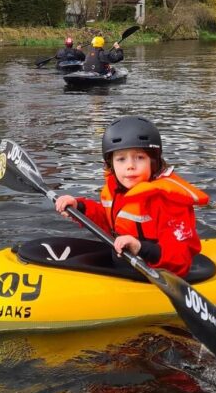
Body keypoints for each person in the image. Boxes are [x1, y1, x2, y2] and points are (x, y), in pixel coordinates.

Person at [54, 116, 207, 277]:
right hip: (125, 265)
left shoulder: (169, 202)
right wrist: (79, 207)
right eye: (121, 159)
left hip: (157, 273)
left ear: (153, 162)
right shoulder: (117, 191)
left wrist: (139, 247)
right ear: (111, 164)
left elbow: (180, 259)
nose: (130, 166)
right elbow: (109, 223)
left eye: (140, 157)